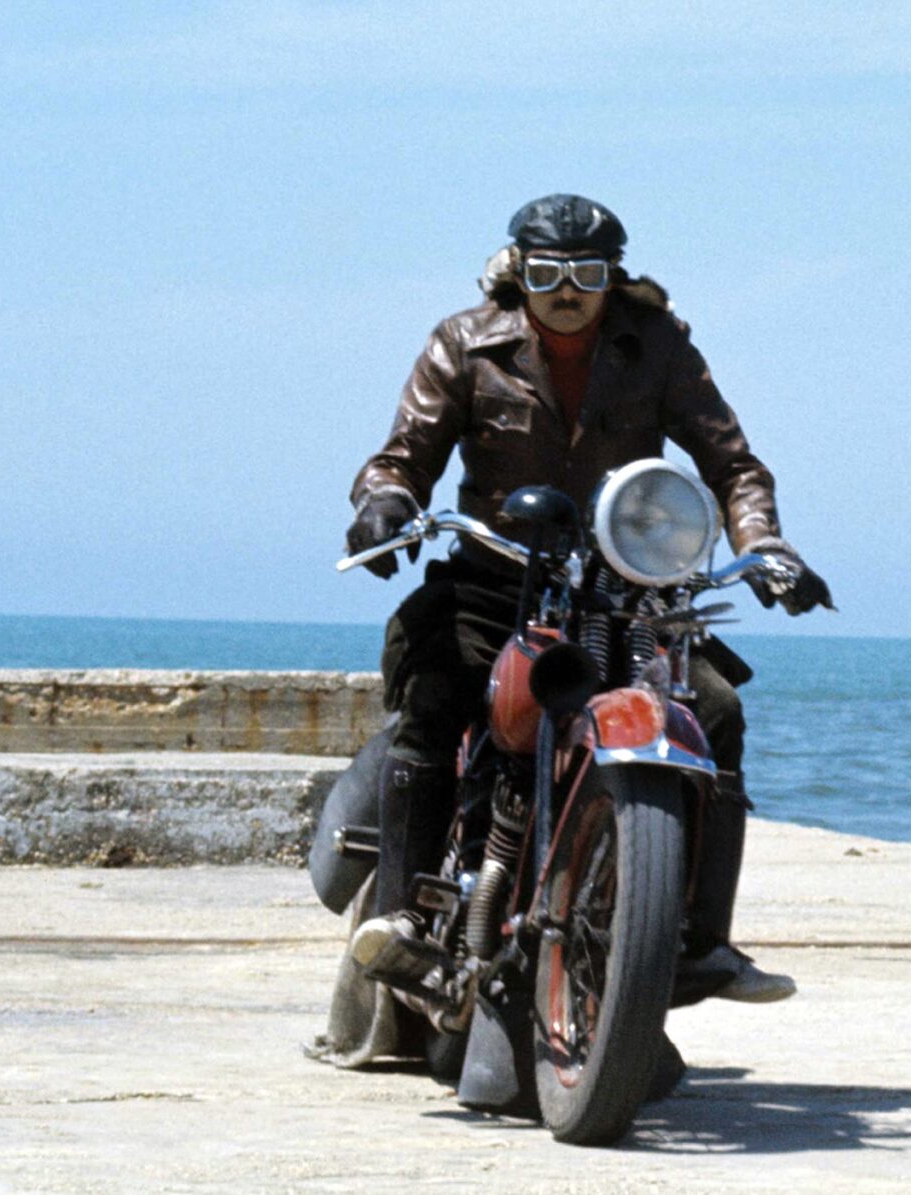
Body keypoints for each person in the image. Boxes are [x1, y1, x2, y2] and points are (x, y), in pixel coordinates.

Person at [344, 193, 832, 1011]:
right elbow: (403, 453)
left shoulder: (659, 345)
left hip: (625, 588)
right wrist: (385, 503)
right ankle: (404, 920)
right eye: (547, 275)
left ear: (615, 276)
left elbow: (732, 464)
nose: (567, 292)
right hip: (496, 579)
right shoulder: (464, 341)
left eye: (587, 274)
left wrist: (767, 544)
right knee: (436, 692)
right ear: (517, 273)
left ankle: (700, 940)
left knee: (713, 711)